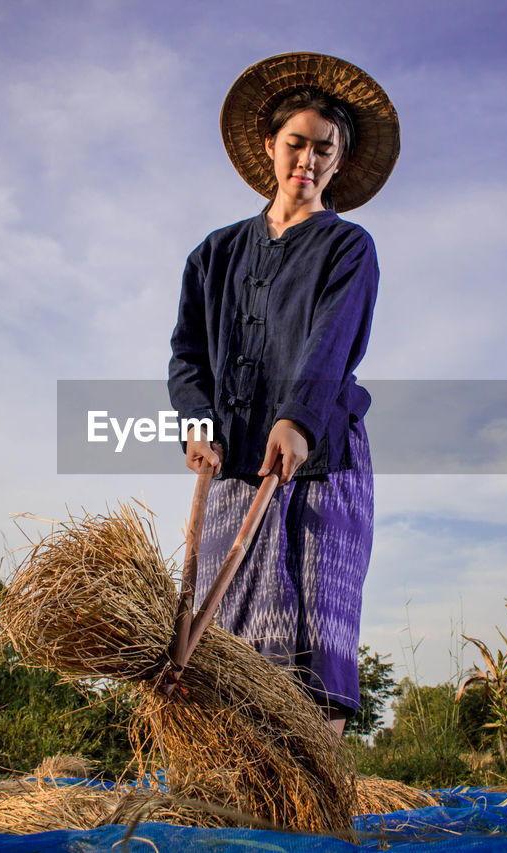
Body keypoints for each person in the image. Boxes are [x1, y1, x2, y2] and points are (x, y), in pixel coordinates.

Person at [167, 53, 399, 735]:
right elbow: (187, 355)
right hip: (234, 459)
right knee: (217, 628)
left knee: (313, 627)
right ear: (270, 146)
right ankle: (222, 789)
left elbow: (333, 343)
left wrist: (296, 419)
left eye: (324, 148)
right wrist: (196, 422)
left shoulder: (348, 246)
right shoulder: (214, 254)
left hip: (318, 454)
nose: (308, 159)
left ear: (339, 161)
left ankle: (313, 792)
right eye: (296, 142)